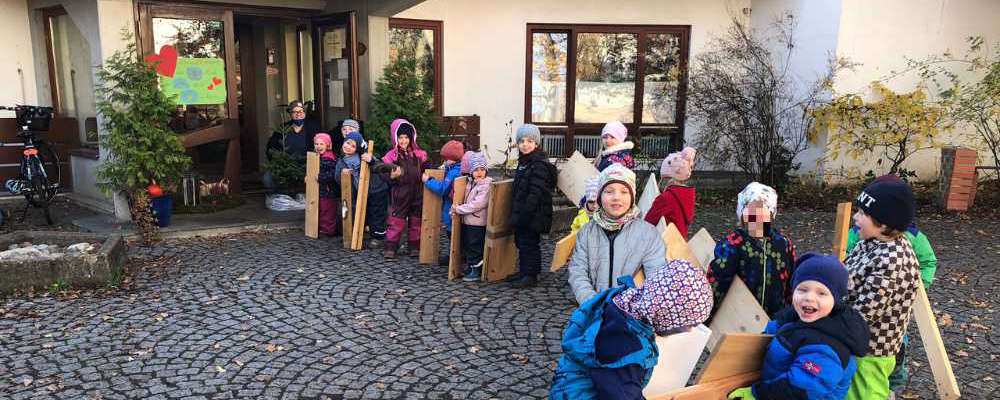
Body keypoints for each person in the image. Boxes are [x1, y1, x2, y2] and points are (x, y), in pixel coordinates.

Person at [550, 260, 713, 399]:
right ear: (668, 313)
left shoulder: (623, 302)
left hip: (569, 383)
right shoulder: (628, 346)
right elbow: (623, 394)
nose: (690, 330)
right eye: (689, 323)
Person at [727, 253, 870, 400]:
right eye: (802, 289)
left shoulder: (827, 349)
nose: (809, 297)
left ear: (836, 301)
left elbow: (799, 390)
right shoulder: (795, 318)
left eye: (822, 293)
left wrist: (756, 394)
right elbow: (777, 330)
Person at [843, 174, 936, 395]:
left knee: (866, 393)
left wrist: (827, 323)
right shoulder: (870, 241)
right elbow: (848, 273)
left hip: (871, 349)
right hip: (855, 342)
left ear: (884, 223)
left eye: (863, 213)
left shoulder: (892, 259)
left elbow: (865, 313)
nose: (856, 218)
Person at [568, 164, 666, 304]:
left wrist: (635, 307)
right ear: (599, 196)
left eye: (624, 192)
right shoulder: (587, 232)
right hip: (594, 310)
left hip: (632, 314)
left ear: (632, 196)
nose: (616, 197)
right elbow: (578, 272)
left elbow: (657, 277)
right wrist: (593, 303)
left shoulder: (648, 234)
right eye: (609, 191)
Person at [706, 182, 797, 318]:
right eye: (751, 211)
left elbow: (791, 280)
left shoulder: (783, 244)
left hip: (776, 317)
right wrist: (707, 317)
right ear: (743, 214)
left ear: (771, 213)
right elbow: (717, 282)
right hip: (741, 319)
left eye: (763, 210)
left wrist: (791, 313)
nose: (757, 217)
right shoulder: (733, 244)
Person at [507, 124, 557, 288]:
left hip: (533, 213)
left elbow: (535, 193)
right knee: (522, 242)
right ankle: (523, 271)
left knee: (529, 244)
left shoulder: (539, 164)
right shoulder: (525, 162)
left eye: (529, 141)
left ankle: (531, 275)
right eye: (521, 141)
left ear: (536, 143)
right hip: (524, 212)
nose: (525, 144)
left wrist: (525, 214)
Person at [381, 119, 428, 259]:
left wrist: (428, 174)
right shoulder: (391, 156)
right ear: (395, 138)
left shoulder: (420, 154)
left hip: (418, 193)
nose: (403, 140)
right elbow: (383, 174)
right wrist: (391, 176)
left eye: (406, 137)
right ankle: (391, 247)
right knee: (396, 221)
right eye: (400, 137)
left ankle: (414, 247)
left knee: (416, 221)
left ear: (411, 137)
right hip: (400, 194)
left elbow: (427, 169)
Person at [334, 132, 390, 248]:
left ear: (358, 148)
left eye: (353, 146)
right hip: (358, 192)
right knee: (357, 211)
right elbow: (337, 179)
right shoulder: (341, 161)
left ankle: (377, 237)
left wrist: (372, 161)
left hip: (376, 191)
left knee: (377, 215)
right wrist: (342, 175)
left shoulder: (364, 156)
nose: (348, 147)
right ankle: (357, 234)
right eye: (347, 143)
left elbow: (381, 167)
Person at [263, 100, 323, 190]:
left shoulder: (313, 128)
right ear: (290, 114)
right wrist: (279, 163)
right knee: (267, 179)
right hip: (285, 166)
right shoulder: (283, 128)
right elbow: (271, 148)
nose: (298, 114)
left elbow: (322, 146)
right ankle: (282, 201)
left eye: (300, 111)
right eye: (294, 112)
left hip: (306, 165)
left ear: (305, 113)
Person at [452, 152, 492, 281]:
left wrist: (459, 209)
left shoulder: (485, 185)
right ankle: (471, 266)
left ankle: (476, 270)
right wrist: (455, 209)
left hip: (478, 223)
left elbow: (478, 204)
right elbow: (464, 199)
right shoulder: (470, 183)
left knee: (475, 246)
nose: (479, 172)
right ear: (471, 171)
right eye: (475, 170)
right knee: (469, 245)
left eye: (482, 169)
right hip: (468, 221)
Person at [423, 140, 465, 262]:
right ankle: (458, 255)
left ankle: (455, 257)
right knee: (456, 234)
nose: (445, 161)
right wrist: (446, 167)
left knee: (452, 234)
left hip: (450, 207)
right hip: (455, 207)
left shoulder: (454, 173)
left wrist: (428, 181)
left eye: (447, 159)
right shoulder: (459, 167)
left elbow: (442, 189)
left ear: (454, 158)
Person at [644, 147, 697, 239]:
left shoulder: (665, 198)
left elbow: (648, 222)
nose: (661, 183)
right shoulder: (687, 195)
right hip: (680, 243)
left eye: (663, 179)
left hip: (667, 245)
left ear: (669, 179)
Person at [312, 133, 339, 237]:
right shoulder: (318, 156)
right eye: (316, 144)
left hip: (328, 191)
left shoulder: (328, 158)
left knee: (327, 211)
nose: (318, 146)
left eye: (321, 144)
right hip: (322, 190)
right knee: (322, 209)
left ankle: (328, 230)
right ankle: (323, 228)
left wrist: (320, 177)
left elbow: (332, 174)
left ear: (327, 145)